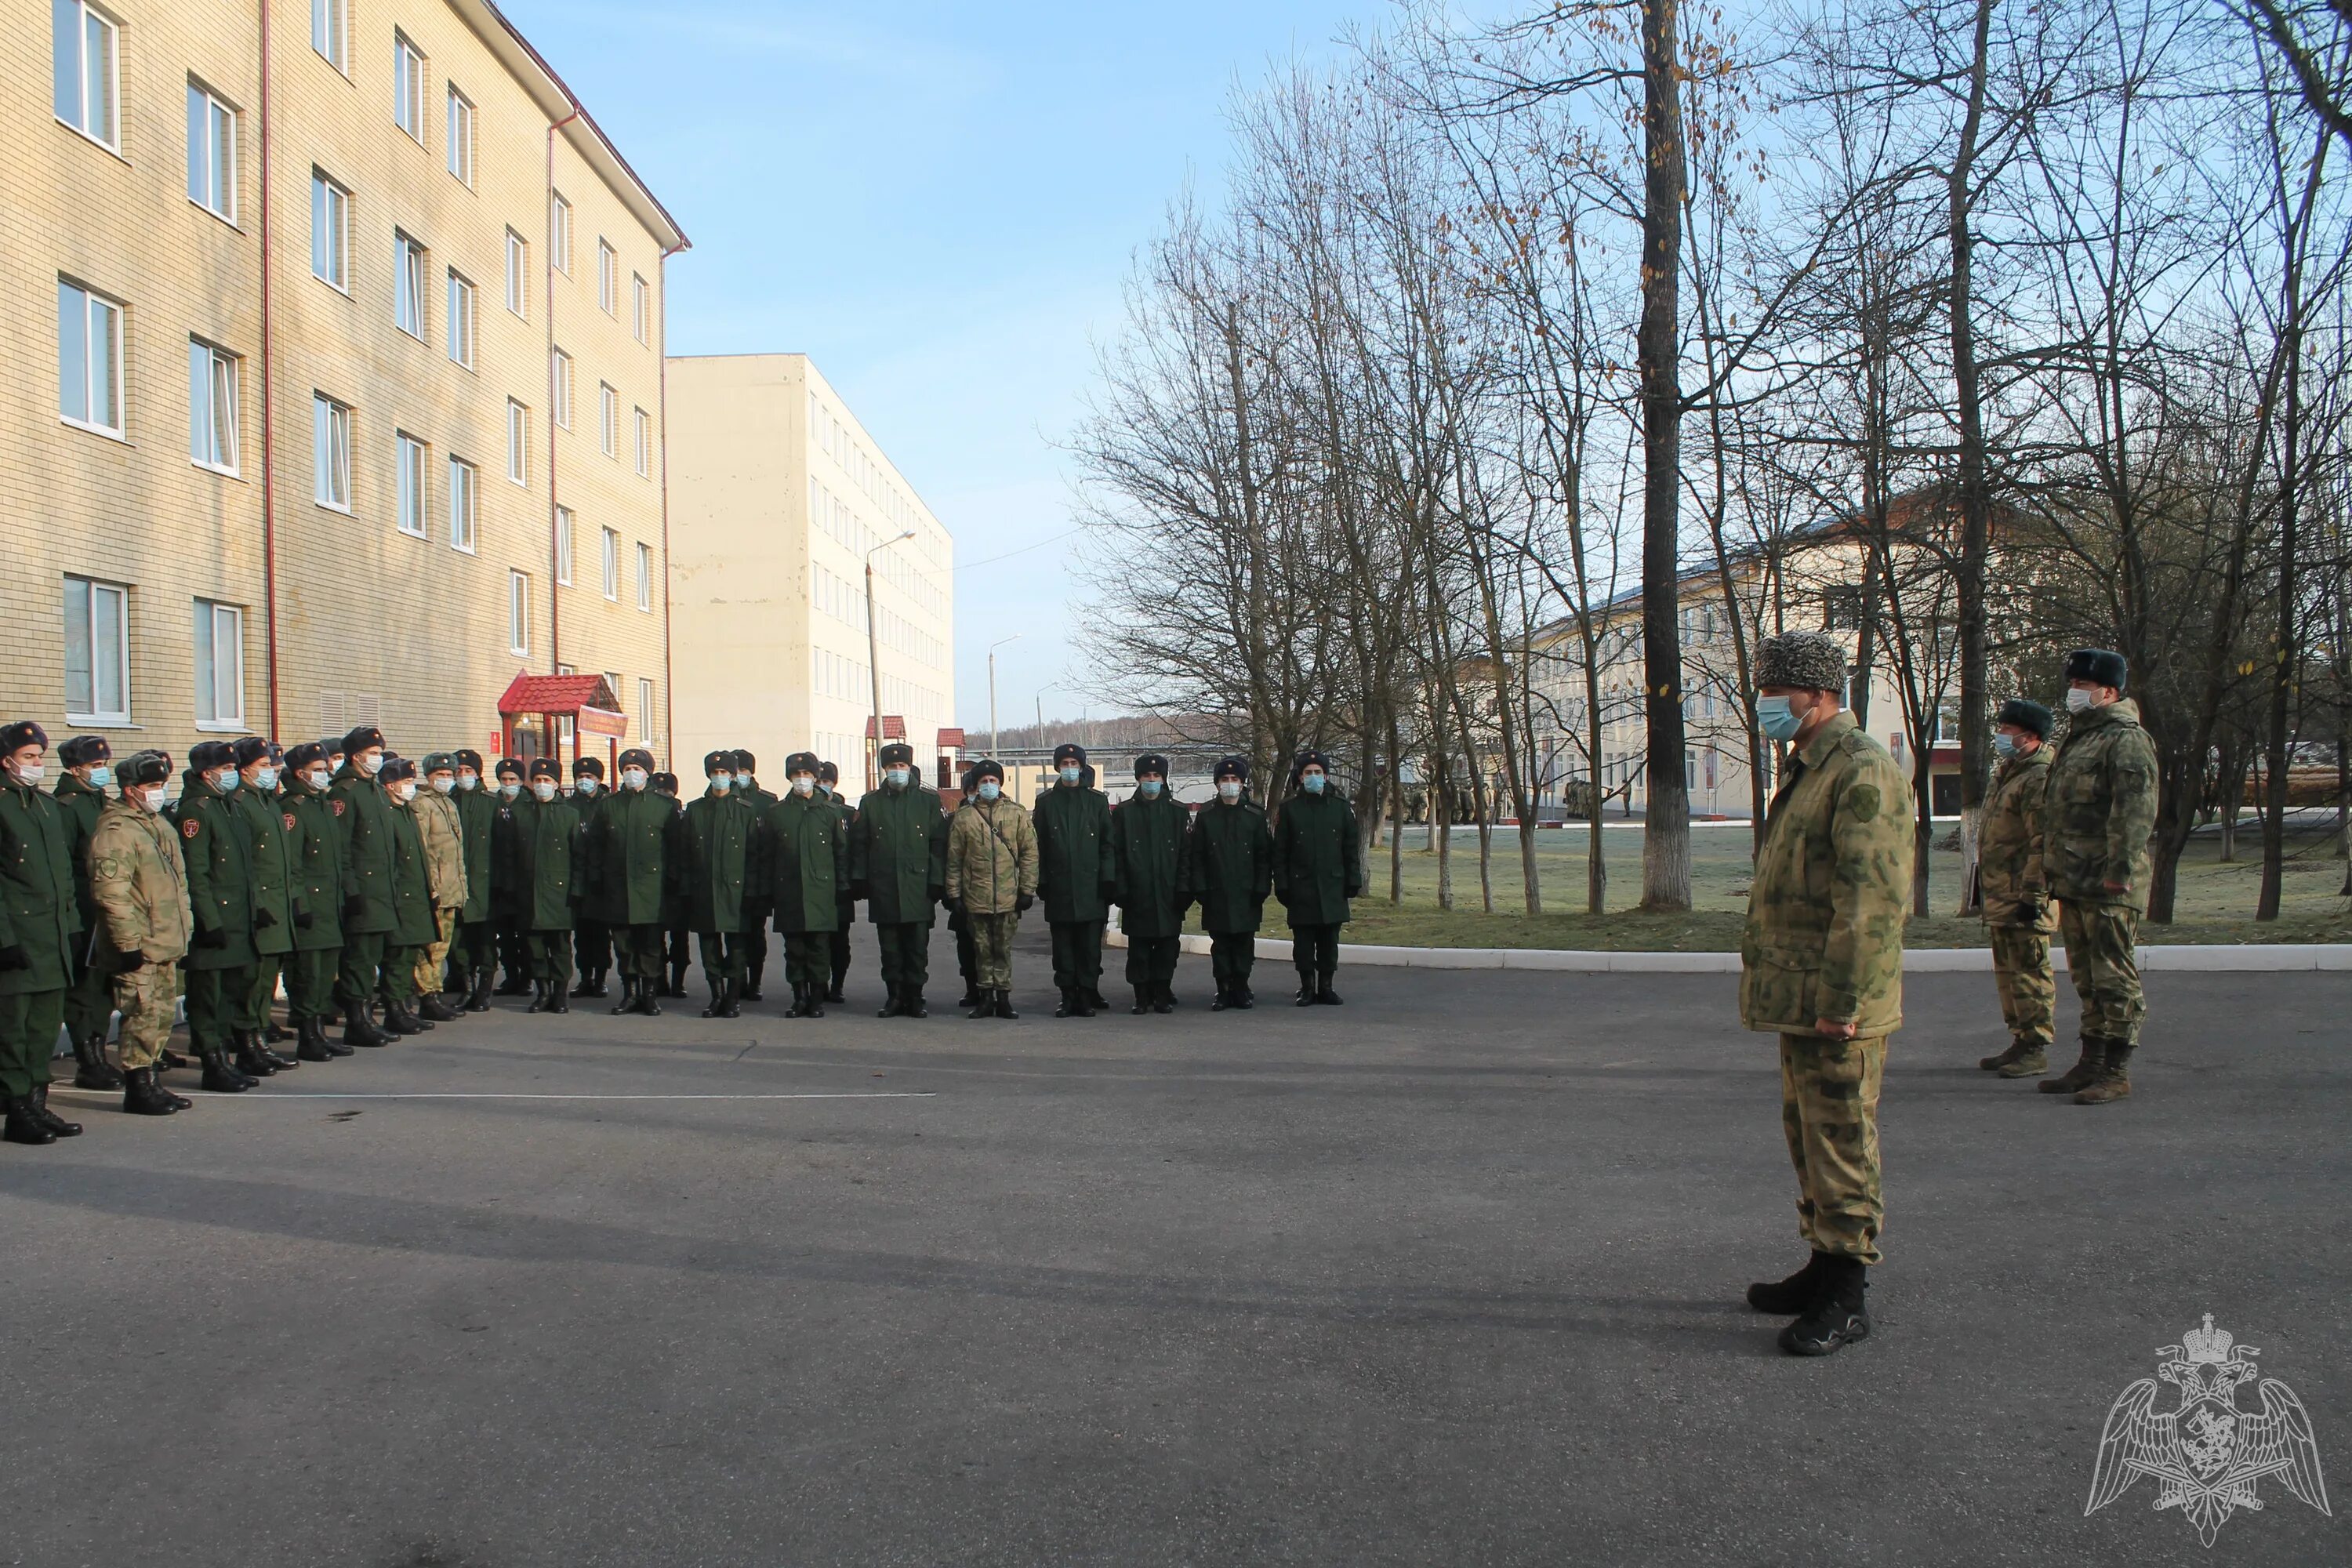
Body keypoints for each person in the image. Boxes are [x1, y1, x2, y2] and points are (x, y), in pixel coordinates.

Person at [1737, 630, 1913, 1357]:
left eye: (1777, 689)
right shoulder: (1813, 766)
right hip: (1803, 998)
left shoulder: (1860, 772)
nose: (1766, 702)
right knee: (1808, 1136)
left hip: (1837, 1003)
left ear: (1817, 695)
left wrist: (1842, 1003)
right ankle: (1821, 1264)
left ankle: (1847, 1295)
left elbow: (1869, 903)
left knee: (1841, 1140)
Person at [2040, 648, 2160, 1105]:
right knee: (2087, 977)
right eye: (2073, 684)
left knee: (2114, 976)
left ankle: (2116, 1069)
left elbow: (2134, 812)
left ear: (2108, 692)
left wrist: (2120, 871)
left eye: (2083, 686)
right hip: (2075, 878)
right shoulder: (2082, 737)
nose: (2074, 693)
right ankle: (2090, 1062)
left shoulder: (2125, 740)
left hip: (2109, 882)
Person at [87, 750, 195, 1116]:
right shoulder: (117, 831)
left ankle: (152, 1081)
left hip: (165, 939)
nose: (159, 792)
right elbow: (111, 894)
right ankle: (138, 1087)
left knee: (161, 1015)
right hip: (140, 944)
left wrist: (186, 930)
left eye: (162, 785)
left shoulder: (159, 824)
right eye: (152, 786)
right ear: (131, 790)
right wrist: (127, 943)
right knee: (141, 1014)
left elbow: (178, 885)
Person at [0, 721, 86, 1143]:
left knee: (44, 1026)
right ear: (7, 761)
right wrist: (4, 938)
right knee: (14, 1030)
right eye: (28, 757)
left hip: (51, 937)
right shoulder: (3, 806)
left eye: (40, 757)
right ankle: (17, 1110)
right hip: (18, 937)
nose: (37, 765)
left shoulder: (47, 807)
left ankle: (37, 1102)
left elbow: (64, 875)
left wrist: (71, 928)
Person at [176, 739, 274, 1087]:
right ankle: (212, 1063)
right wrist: (209, 921)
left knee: (231, 994)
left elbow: (247, 868)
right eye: (227, 769)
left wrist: (257, 907)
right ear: (207, 773)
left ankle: (228, 1057)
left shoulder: (228, 807)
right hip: (215, 923)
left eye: (234, 768)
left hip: (239, 920)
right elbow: (196, 872)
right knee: (208, 999)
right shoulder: (197, 810)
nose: (232, 775)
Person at [1976, 699, 2058, 1078]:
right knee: (2009, 974)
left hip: (2024, 896)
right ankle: (2021, 1038)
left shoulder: (2039, 776)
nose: (2001, 735)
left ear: (2031, 737)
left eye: (2008, 730)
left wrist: (2034, 897)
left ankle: (2037, 1046)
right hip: (2001, 893)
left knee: (2030, 973)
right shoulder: (2010, 772)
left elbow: (2043, 842)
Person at [850, 743, 947, 1018]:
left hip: (918, 887)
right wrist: (860, 879)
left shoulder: (928, 801)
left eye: (902, 766)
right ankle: (894, 996)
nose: (897, 772)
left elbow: (938, 844)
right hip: (885, 888)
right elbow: (860, 843)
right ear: (885, 769)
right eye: (892, 767)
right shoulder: (871, 803)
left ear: (910, 768)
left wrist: (936, 880)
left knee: (917, 948)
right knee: (890, 948)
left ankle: (915, 997)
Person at [54, 735, 124, 1090]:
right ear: (74, 768)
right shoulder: (66, 807)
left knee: (103, 986)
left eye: (104, 764)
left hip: (108, 909)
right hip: (83, 909)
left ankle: (99, 1050)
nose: (102, 771)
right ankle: (87, 1059)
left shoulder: (104, 803)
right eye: (95, 766)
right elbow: (63, 865)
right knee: (84, 989)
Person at [757, 752, 849, 1018]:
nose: (801, 780)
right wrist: (767, 892)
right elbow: (767, 855)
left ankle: (817, 998)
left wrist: (843, 887)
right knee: (794, 949)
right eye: (796, 775)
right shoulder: (777, 813)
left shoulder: (830, 812)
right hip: (790, 892)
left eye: (806, 775)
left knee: (820, 949)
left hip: (822, 893)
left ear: (815, 777)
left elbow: (841, 853)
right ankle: (799, 997)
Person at [943, 759, 1037, 1019]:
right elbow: (954, 859)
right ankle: (985, 998)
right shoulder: (965, 817)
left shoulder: (1016, 814)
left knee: (1002, 951)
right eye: (983, 782)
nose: (988, 786)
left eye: (992, 781)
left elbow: (1029, 854)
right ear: (975, 785)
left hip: (1007, 897)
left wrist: (1027, 890)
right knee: (982, 951)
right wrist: (954, 894)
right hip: (976, 897)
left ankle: (1004, 998)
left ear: (1000, 783)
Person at [280, 742, 356, 1056]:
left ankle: (320, 1032)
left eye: (326, 769)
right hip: (310, 904)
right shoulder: (293, 808)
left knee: (325, 973)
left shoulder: (322, 803)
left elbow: (338, 854)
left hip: (330, 903)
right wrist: (299, 902)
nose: (325, 775)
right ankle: (307, 1035)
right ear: (300, 773)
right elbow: (292, 862)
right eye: (319, 770)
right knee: (308, 974)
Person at [229, 738, 301, 1071]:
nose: (273, 773)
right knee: (252, 979)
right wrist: (257, 903)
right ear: (245, 770)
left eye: (274, 768)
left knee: (267, 976)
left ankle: (259, 1037)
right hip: (258, 903)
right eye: (265, 766)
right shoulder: (240, 803)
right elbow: (244, 862)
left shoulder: (268, 802)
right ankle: (246, 1043)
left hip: (278, 900)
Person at [330, 726, 403, 1047]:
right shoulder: (345, 791)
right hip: (362, 890)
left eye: (379, 752)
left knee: (372, 954)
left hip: (381, 890)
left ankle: (367, 1017)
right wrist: (351, 889)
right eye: (372, 753)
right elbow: (341, 846)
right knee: (358, 958)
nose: (377, 758)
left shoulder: (372, 788)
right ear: (356, 756)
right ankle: (356, 1020)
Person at [1272, 751, 1363, 1005]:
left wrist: (1353, 879)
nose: (1313, 777)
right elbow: (1280, 853)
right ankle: (1307, 987)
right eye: (1308, 773)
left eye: (1318, 773)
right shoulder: (1289, 809)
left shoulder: (1341, 808)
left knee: (1329, 941)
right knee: (1303, 942)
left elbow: (1350, 848)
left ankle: (1326, 986)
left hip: (1333, 885)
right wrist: (1281, 884)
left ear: (1326, 775)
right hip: (1301, 886)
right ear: (1300, 777)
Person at [1033, 742, 1116, 1016]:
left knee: (1090, 949)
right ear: (1058, 768)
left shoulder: (1096, 801)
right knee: (1064, 950)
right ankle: (1067, 996)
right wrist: (1042, 881)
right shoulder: (1045, 803)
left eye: (1074, 764)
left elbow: (1107, 844)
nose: (1070, 769)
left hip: (1091, 889)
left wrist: (1107, 879)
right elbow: (1039, 846)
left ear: (1082, 767)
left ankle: (1087, 994)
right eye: (1065, 764)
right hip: (1060, 888)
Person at [1185, 756, 1273, 1010]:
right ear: (1217, 784)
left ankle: (1242, 987)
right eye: (1225, 779)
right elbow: (1198, 856)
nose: (1230, 784)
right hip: (1216, 891)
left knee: (1244, 944)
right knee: (1221, 945)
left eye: (1235, 779)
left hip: (1247, 892)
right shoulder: (1207, 815)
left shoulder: (1255, 815)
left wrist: (1261, 887)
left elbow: (1264, 857)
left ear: (1243, 783)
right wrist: (1200, 888)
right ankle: (1223, 989)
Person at [593, 747, 671, 1017]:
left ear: (647, 774)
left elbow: (675, 850)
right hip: (618, 889)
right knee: (624, 946)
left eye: (637, 769)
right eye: (627, 769)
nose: (631, 774)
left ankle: (649, 995)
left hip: (651, 889)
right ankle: (630, 993)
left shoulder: (665, 806)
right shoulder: (609, 805)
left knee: (650, 945)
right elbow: (597, 847)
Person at [677, 753, 754, 1018]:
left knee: (736, 948)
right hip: (704, 890)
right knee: (709, 946)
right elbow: (685, 853)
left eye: (724, 772)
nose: (719, 776)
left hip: (736, 891)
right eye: (715, 771)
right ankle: (716, 995)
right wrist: (687, 889)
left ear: (733, 776)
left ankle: (732, 997)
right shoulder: (696, 810)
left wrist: (753, 891)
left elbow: (756, 854)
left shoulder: (745, 810)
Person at [1112, 753, 1189, 1015]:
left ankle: (1162, 992)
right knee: (1139, 950)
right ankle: (1141, 994)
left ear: (1164, 779)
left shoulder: (1178, 812)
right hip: (1138, 893)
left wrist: (1183, 889)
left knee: (1168, 949)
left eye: (1157, 776)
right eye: (1147, 776)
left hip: (1169, 894)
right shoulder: (1124, 813)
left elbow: (1186, 856)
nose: (1152, 780)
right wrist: (1120, 888)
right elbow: (1117, 854)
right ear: (1139, 779)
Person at [505, 758, 584, 1012]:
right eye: (537, 780)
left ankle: (560, 994)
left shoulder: (569, 814)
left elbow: (580, 856)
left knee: (560, 948)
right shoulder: (520, 813)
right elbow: (510, 854)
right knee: (534, 947)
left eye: (546, 781)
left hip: (559, 894)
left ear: (557, 784)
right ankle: (543, 992)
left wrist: (576, 890)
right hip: (529, 892)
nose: (541, 785)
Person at [377, 758, 439, 1033]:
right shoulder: (386, 813)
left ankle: (404, 1007)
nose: (410, 787)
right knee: (397, 956)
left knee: (408, 955)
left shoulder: (407, 812)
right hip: (399, 896)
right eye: (405, 783)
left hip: (416, 895)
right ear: (390, 785)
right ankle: (394, 1008)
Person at [408, 753, 470, 1024]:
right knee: (429, 948)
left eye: (449, 775)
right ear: (428, 776)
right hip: (436, 889)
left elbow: (455, 852)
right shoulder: (422, 805)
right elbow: (423, 850)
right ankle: (427, 996)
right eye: (439, 775)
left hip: (451, 887)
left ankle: (434, 993)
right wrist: (430, 887)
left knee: (442, 947)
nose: (445, 779)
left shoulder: (448, 804)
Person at [447, 749, 499, 1012]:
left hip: (485, 884)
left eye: (468, 771)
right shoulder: (448, 801)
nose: (463, 776)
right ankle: (466, 987)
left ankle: (485, 989)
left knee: (485, 941)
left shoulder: (491, 802)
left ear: (478, 773)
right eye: (459, 772)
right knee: (458, 942)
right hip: (455, 884)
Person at [731, 751, 777, 1000]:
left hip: (757, 880)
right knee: (736, 936)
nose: (739, 777)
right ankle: (738, 981)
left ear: (751, 773)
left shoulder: (766, 802)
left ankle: (755, 981)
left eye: (744, 771)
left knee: (756, 936)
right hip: (732, 881)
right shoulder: (726, 798)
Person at [489, 758, 534, 995]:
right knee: (505, 936)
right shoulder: (492, 804)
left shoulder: (529, 804)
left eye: (512, 779)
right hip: (499, 881)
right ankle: (511, 976)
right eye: (504, 779)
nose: (508, 784)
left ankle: (526, 977)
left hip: (523, 881)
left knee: (525, 935)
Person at [569, 756, 612, 997]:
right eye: (580, 777)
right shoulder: (569, 805)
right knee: (582, 934)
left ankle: (601, 979)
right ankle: (585, 977)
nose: (584, 781)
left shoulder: (606, 804)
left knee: (600, 933)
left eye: (589, 777)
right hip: (578, 879)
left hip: (601, 880)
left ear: (599, 780)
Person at [650, 771, 695, 999]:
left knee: (679, 938)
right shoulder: (653, 814)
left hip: (677, 886)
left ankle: (678, 982)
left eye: (665, 793)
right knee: (656, 937)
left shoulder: (680, 815)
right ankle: (660, 980)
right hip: (655, 884)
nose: (662, 797)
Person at [817, 760, 858, 1003]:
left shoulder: (847, 814)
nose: (822, 786)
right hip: (816, 888)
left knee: (840, 942)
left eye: (827, 782)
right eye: (819, 781)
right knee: (818, 941)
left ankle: (838, 984)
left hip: (840, 888)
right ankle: (819, 983)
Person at [948, 764, 984, 1008]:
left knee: (990, 947)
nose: (974, 794)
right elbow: (948, 858)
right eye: (970, 789)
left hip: (991, 894)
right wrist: (950, 894)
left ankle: (991, 991)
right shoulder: (953, 820)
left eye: (977, 789)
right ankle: (972, 989)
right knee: (966, 947)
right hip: (962, 895)